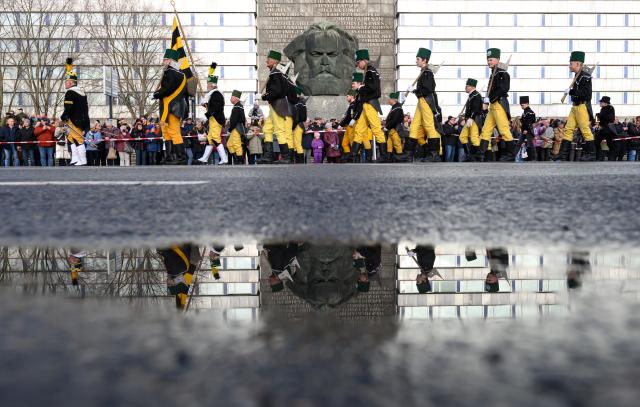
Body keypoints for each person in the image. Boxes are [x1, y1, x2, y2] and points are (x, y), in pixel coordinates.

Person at [405, 47, 442, 162]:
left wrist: (414, 91)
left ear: (424, 60)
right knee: (414, 126)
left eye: (418, 59)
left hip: (426, 100)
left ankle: (434, 155)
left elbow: (429, 89)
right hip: (420, 101)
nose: (416, 61)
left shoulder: (427, 73)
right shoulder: (423, 72)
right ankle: (408, 154)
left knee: (429, 126)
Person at [478, 48, 515, 161]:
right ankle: (481, 154)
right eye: (488, 60)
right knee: (486, 130)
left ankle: (510, 155)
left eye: (491, 59)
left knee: (504, 130)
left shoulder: (502, 73)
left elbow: (504, 89)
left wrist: (491, 98)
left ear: (498, 60)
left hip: (499, 104)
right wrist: (487, 99)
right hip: (493, 105)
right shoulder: (493, 74)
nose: (489, 62)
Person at [153, 48, 188, 165]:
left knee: (173, 132)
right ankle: (169, 157)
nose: (163, 62)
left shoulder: (172, 72)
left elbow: (168, 89)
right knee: (167, 132)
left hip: (173, 107)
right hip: (170, 106)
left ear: (171, 60)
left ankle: (181, 157)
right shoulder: (176, 73)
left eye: (165, 59)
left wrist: (157, 94)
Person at [352, 49, 388, 163]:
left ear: (363, 60)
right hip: (367, 104)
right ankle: (353, 155)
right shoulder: (369, 71)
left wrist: (360, 88)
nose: (358, 65)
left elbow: (372, 87)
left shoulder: (370, 71)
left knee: (376, 129)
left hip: (370, 103)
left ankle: (384, 155)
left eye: (358, 62)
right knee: (359, 130)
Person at [559, 51, 595, 161]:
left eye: (571, 63)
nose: (570, 66)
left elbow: (587, 94)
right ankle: (563, 155)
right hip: (574, 107)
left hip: (582, 106)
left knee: (585, 130)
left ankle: (591, 154)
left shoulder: (585, 76)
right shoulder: (577, 76)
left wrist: (571, 92)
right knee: (568, 129)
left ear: (578, 64)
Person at [258, 50, 291, 164]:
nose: (267, 60)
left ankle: (286, 157)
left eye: (269, 58)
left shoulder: (275, 73)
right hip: (274, 105)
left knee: (279, 131)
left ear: (275, 61)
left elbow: (276, 92)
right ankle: (268, 156)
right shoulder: (275, 73)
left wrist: (264, 96)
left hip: (277, 104)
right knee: (267, 129)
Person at [60, 58, 90, 166]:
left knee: (77, 139)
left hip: (74, 119)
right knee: (71, 138)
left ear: (71, 82)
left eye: (67, 81)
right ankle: (75, 159)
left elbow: (69, 108)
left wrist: (63, 117)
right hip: (81, 119)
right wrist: (69, 67)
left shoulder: (70, 93)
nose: (65, 83)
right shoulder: (80, 92)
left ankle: (82, 160)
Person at [198, 64, 228, 165]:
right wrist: (205, 104)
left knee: (215, 138)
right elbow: (211, 107)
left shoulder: (216, 94)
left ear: (212, 85)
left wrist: (205, 115)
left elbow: (214, 109)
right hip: (213, 119)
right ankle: (205, 158)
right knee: (210, 139)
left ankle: (224, 158)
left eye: (208, 84)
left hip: (216, 119)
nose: (207, 85)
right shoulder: (213, 95)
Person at [458, 78, 483, 161]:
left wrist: (471, 118)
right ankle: (469, 155)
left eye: (467, 86)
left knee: (474, 138)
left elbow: (475, 109)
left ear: (472, 87)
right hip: (469, 119)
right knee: (462, 137)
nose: (465, 88)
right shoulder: (472, 95)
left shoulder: (476, 95)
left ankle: (477, 156)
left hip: (474, 119)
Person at [384, 92, 407, 162]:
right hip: (392, 129)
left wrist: (387, 127)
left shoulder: (397, 108)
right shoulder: (395, 107)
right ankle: (389, 158)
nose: (388, 100)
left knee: (397, 143)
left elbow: (394, 120)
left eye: (389, 99)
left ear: (394, 100)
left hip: (395, 129)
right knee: (389, 144)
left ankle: (400, 158)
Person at [339, 89, 361, 162]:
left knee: (353, 143)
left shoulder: (354, 104)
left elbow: (349, 116)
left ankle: (355, 159)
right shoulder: (351, 105)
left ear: (352, 96)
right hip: (348, 126)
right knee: (344, 143)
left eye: (347, 96)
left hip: (352, 125)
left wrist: (341, 125)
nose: (346, 98)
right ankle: (349, 157)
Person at [227, 90, 246, 165]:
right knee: (229, 145)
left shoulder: (237, 106)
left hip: (236, 128)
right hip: (236, 128)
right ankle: (236, 159)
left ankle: (240, 161)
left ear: (236, 98)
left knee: (236, 145)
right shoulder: (238, 106)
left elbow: (234, 119)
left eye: (232, 97)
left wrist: (230, 129)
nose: (230, 99)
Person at [596, 96, 618, 161]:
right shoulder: (603, 109)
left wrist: (600, 115)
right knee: (596, 142)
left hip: (608, 128)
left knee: (610, 144)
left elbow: (610, 118)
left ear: (605, 103)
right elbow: (601, 119)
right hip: (603, 128)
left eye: (601, 102)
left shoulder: (610, 108)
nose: (600, 103)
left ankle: (612, 158)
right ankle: (600, 156)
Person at [292, 86, 307, 164]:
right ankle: (298, 161)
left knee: (297, 143)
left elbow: (298, 116)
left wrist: (293, 126)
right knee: (295, 143)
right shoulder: (301, 102)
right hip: (298, 124)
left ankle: (300, 161)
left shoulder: (298, 103)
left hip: (297, 125)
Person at [519, 96, 536, 161]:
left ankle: (532, 158)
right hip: (524, 130)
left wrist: (526, 129)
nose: (521, 106)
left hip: (528, 131)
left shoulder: (530, 112)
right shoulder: (524, 112)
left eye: (522, 105)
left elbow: (530, 122)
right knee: (519, 143)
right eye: (521, 105)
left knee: (530, 144)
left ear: (527, 103)